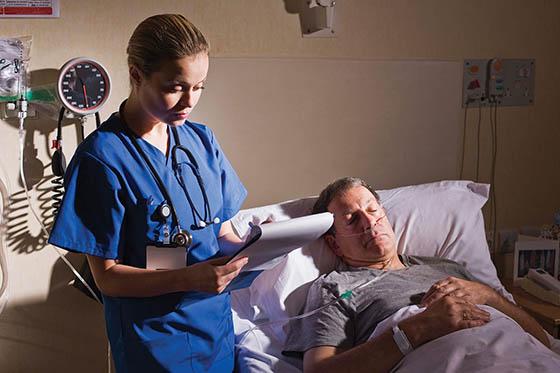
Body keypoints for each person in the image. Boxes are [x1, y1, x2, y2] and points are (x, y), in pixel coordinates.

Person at [48, 14, 249, 372]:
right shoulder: (102, 158)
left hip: (214, 329)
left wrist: (261, 247)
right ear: (137, 74)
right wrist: (188, 278)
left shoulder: (201, 141)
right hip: (155, 340)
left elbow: (221, 231)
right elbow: (107, 276)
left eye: (199, 86)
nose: (189, 100)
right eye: (175, 86)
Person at [284, 177, 557, 373]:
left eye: (372, 211)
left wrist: (490, 296)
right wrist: (418, 328)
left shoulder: (447, 267)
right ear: (334, 244)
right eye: (352, 219)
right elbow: (321, 369)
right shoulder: (334, 288)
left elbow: (543, 341)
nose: (369, 223)